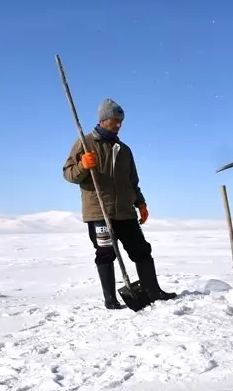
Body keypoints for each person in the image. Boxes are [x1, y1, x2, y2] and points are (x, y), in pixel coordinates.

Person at [62, 98, 177, 309]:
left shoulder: (124, 150)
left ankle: (153, 290)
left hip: (126, 212)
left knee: (142, 250)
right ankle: (110, 300)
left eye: (120, 121)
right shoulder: (85, 143)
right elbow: (69, 174)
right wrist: (82, 165)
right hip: (99, 212)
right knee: (106, 254)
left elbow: (133, 181)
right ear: (103, 120)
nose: (118, 125)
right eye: (114, 120)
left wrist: (141, 203)